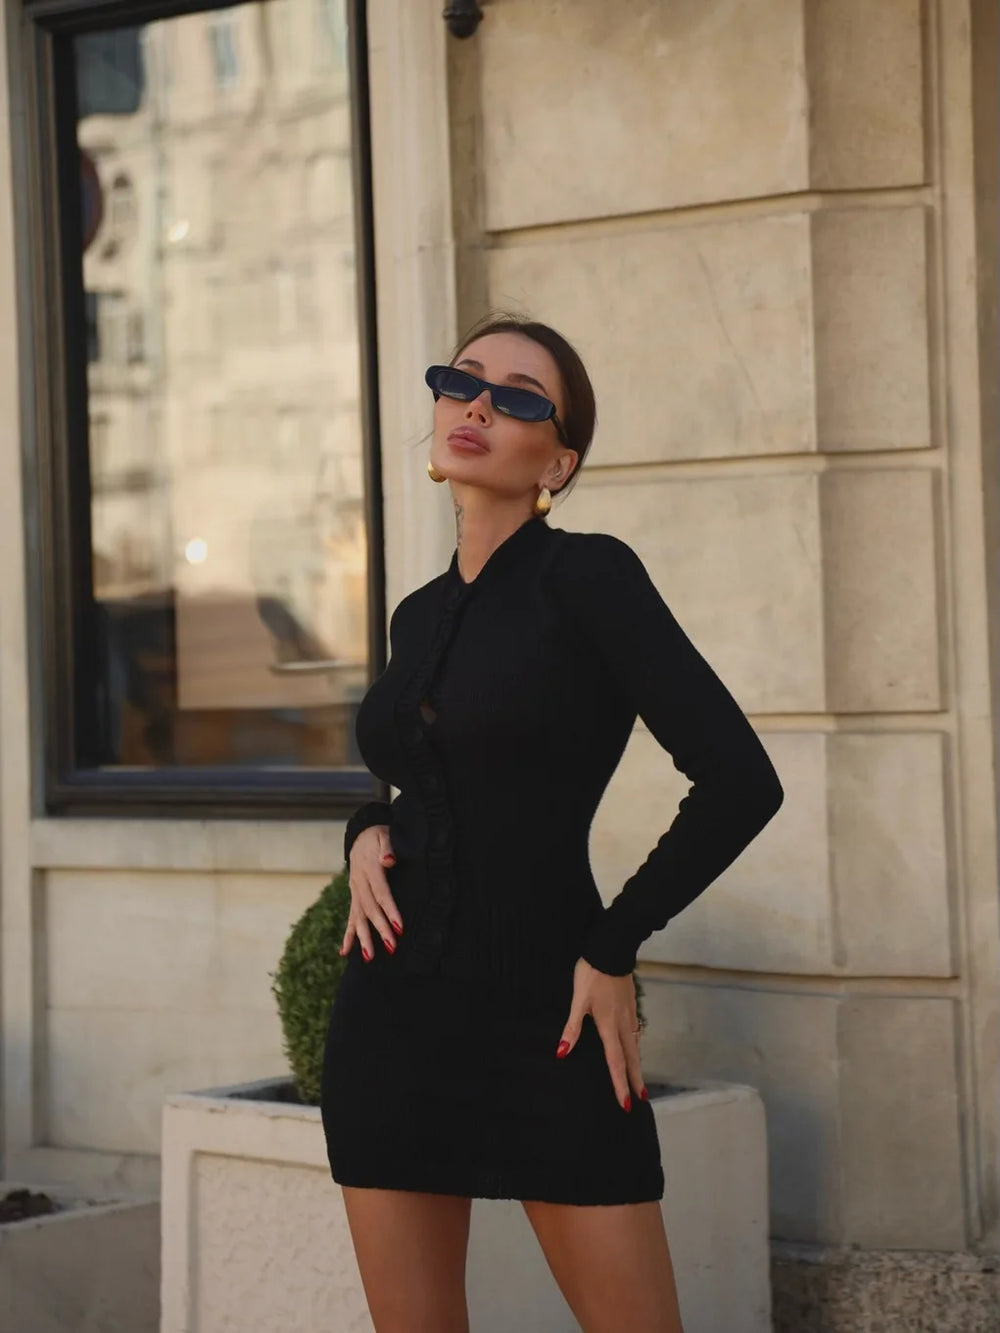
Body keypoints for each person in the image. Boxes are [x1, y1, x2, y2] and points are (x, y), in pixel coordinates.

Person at [320, 313, 784, 1333]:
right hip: (391, 1022)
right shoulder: (416, 614)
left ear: (557, 462)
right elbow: (424, 775)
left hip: (550, 1015)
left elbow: (741, 780)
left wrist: (615, 944)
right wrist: (364, 828)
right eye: (462, 380)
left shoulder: (588, 577)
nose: (478, 403)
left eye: (519, 396)